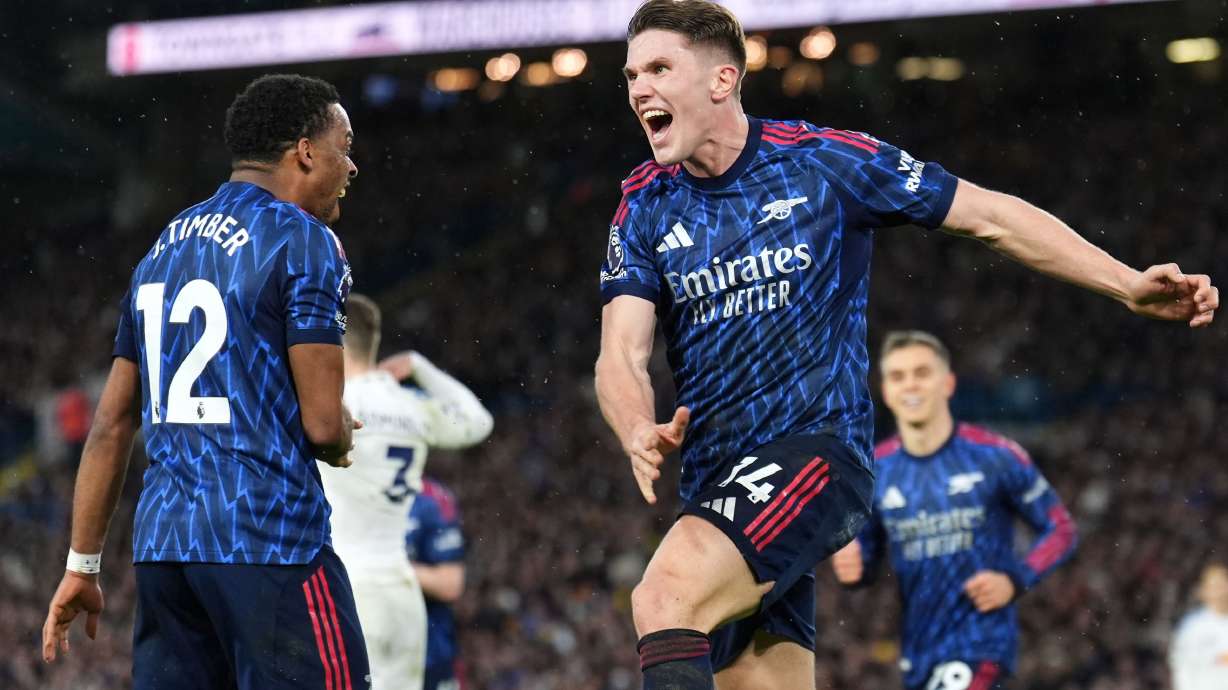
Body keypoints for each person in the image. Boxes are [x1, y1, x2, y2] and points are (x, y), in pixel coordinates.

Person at [593, 1, 1218, 688]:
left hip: (815, 453)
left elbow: (988, 217)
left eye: (658, 68)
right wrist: (633, 427)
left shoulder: (823, 163)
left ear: (722, 80)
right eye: (631, 75)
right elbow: (621, 352)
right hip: (719, 487)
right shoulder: (644, 204)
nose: (639, 89)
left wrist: (1126, 283)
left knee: (663, 597)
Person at [41, 74, 371, 690]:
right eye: (344, 145)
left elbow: (111, 423)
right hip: (269, 542)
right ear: (304, 151)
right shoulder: (306, 239)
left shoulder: (160, 251)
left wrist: (83, 565)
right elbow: (324, 425)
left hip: (167, 555)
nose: (351, 165)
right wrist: (342, 436)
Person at [831, 331, 1077, 689]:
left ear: (947, 383)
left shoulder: (994, 455)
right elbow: (865, 556)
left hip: (981, 642)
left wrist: (1015, 578)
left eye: (921, 373)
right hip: (919, 650)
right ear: (885, 391)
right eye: (898, 377)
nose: (910, 385)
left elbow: (1060, 528)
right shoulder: (877, 470)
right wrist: (854, 565)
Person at [319, 294, 491, 690]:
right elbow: (477, 422)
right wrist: (420, 367)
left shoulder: (332, 405)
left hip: (349, 589)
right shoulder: (407, 404)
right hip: (401, 592)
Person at [406, 478, 469, 690]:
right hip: (365, 646)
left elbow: (450, 583)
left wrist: (388, 568)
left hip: (427, 656)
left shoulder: (430, 498)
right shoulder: (342, 491)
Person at [1169, 562, 1228, 690]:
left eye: (1223, 585)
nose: (1220, 591)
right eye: (1215, 586)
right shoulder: (1192, 627)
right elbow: (1180, 664)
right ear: (1203, 591)